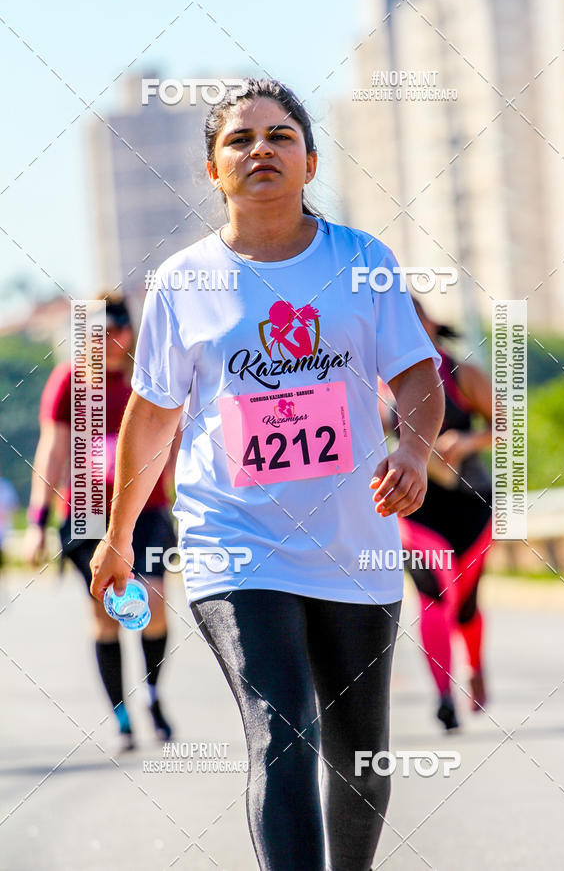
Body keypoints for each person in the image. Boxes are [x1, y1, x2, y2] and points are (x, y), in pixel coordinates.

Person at [89, 78, 445, 871]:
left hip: (354, 541)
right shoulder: (184, 281)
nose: (261, 150)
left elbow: (419, 374)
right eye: (239, 140)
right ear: (212, 171)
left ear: (311, 162)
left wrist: (414, 452)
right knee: (281, 735)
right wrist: (118, 537)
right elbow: (153, 416)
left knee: (361, 760)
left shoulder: (362, 261)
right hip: (235, 538)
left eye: (281, 136)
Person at [24, 295, 179, 752]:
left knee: (152, 602)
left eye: (118, 329)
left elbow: (174, 442)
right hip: (87, 515)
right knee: (104, 614)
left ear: (131, 331)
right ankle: (122, 717)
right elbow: (52, 451)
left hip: (146, 511)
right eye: (99, 332)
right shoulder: (69, 381)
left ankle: (152, 693)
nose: (110, 339)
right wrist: (37, 521)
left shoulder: (148, 379)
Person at [378, 300, 493, 730]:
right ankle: (444, 696)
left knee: (464, 605)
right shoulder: (380, 384)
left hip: (472, 504)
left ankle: (475, 666)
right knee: (433, 597)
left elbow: (508, 425)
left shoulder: (463, 373)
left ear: (428, 323)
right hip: (416, 507)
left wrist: (466, 442)